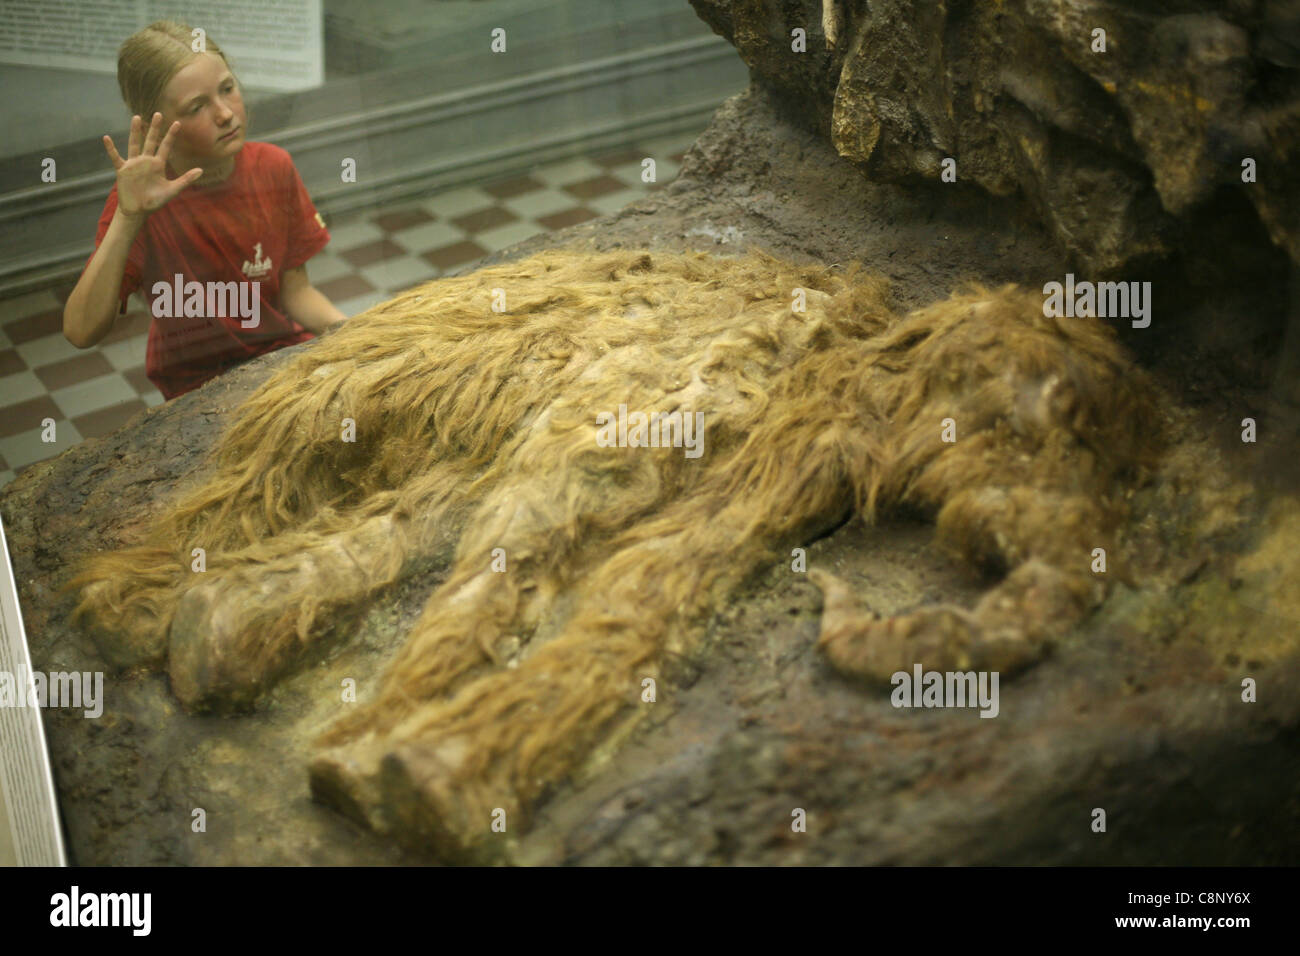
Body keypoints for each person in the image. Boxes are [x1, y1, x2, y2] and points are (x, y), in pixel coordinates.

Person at [62, 20, 347, 400]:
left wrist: (352, 332)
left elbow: (297, 293)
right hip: (196, 388)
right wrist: (128, 218)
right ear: (156, 126)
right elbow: (81, 331)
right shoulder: (140, 202)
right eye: (198, 106)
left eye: (228, 89)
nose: (226, 114)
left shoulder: (273, 165)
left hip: (282, 362)